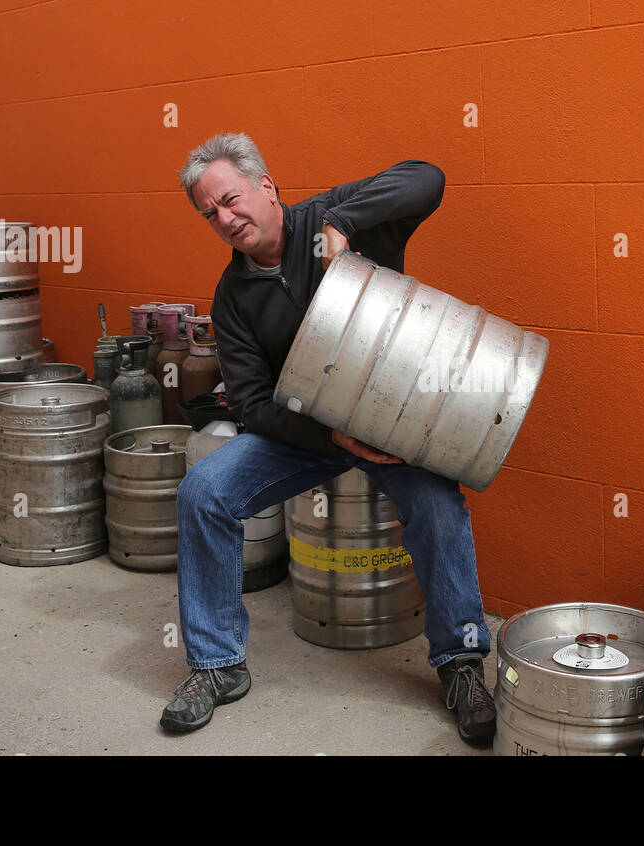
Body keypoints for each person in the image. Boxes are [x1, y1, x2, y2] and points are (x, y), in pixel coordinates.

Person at [161, 132, 495, 745]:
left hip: (391, 417)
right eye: (210, 214)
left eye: (232, 199)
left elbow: (429, 176)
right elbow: (255, 405)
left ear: (267, 186)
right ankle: (215, 665)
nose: (226, 219)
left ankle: (461, 664)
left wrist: (343, 224)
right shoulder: (232, 297)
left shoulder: (328, 217)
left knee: (437, 504)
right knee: (203, 490)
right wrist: (334, 435)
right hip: (309, 432)